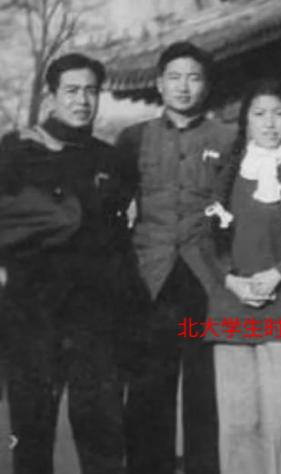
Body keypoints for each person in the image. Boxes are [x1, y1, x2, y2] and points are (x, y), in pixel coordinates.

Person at [0, 53, 137, 474]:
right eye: (72, 91)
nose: (82, 101)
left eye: (91, 91)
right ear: (52, 96)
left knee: (101, 430)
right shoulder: (17, 150)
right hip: (33, 310)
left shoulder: (109, 158)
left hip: (94, 313)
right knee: (32, 430)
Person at [202, 78, 281, 474]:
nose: (270, 123)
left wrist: (280, 273)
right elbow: (204, 237)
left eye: (279, 114)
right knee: (238, 425)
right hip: (231, 307)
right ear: (246, 121)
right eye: (260, 114)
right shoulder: (226, 173)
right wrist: (230, 279)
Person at [115, 42, 233, 474]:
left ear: (207, 85)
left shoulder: (228, 138)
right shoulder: (134, 138)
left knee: (207, 388)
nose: (184, 87)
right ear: (160, 83)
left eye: (194, 77)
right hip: (152, 277)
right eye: (175, 77)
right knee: (148, 387)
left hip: (207, 278)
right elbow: (113, 208)